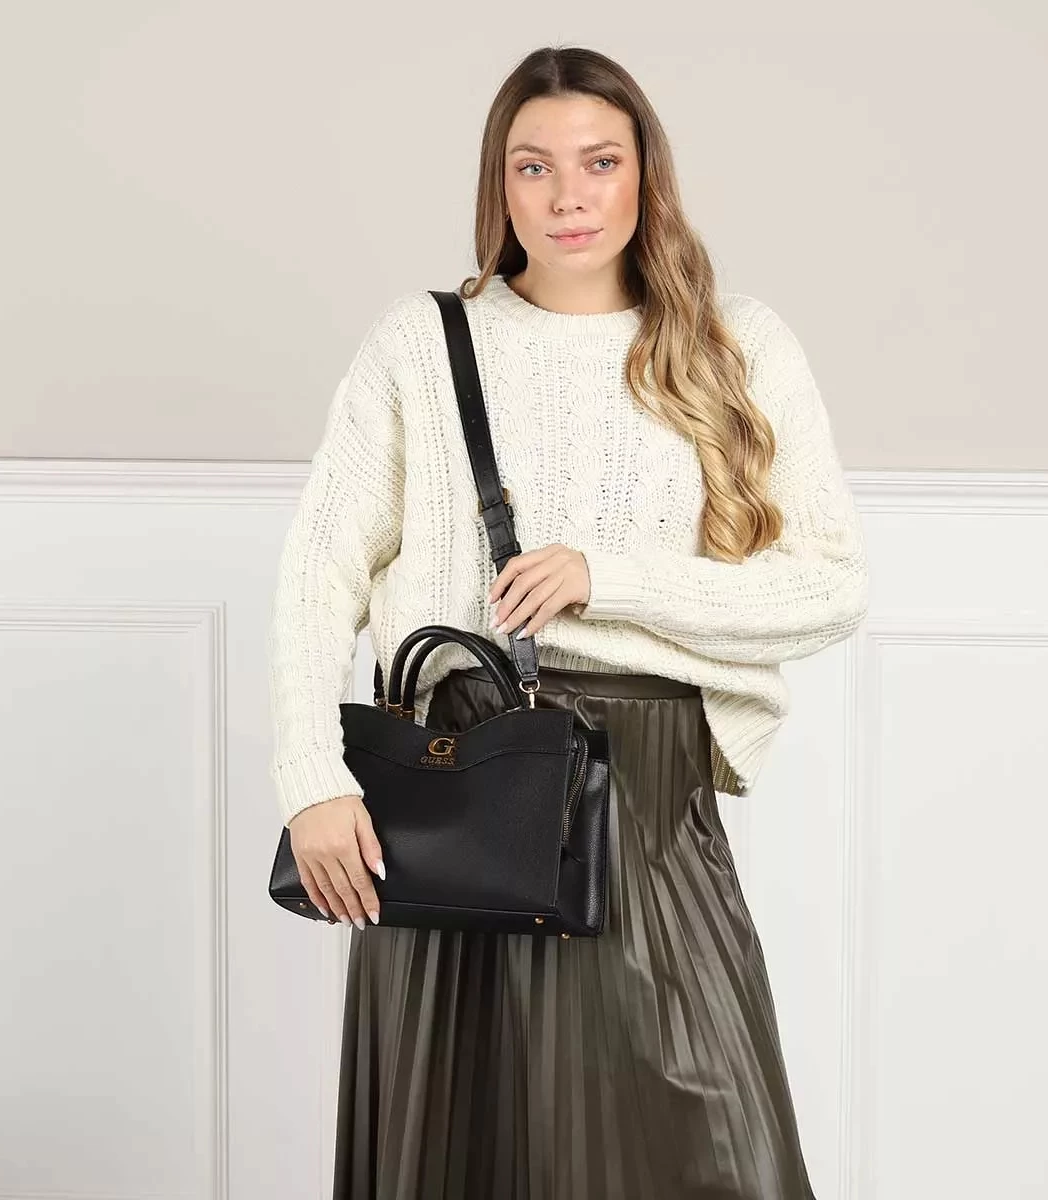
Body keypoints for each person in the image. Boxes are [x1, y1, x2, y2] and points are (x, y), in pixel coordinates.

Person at [267, 43, 869, 1200]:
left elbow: (831, 585)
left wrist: (610, 576)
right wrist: (310, 779)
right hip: (453, 791)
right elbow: (317, 571)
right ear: (499, 185)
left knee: (713, 1146)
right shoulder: (420, 343)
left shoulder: (736, 346)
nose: (567, 196)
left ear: (647, 175)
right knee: (459, 1151)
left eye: (600, 162)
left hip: (644, 798)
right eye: (532, 167)